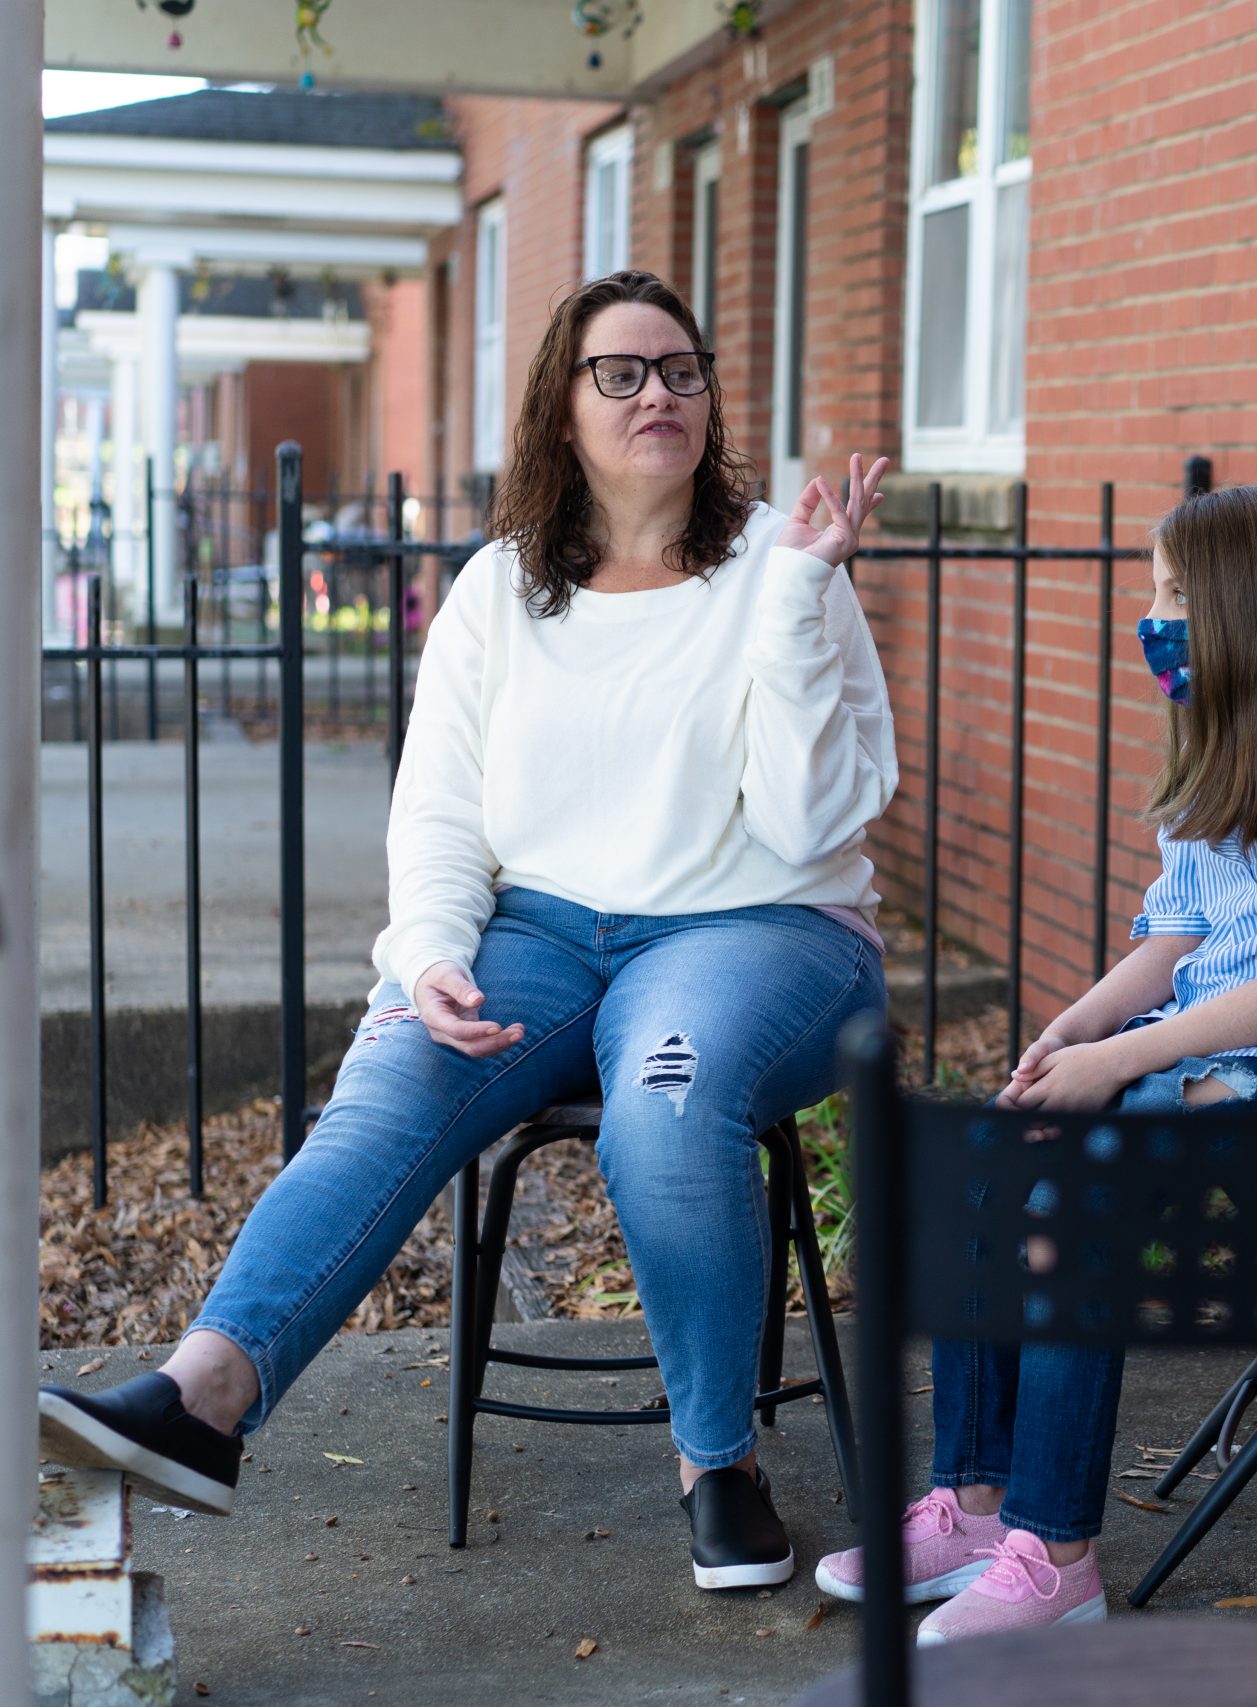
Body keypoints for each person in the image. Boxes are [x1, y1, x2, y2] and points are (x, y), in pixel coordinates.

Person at [39, 271, 899, 1595]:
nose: (659, 391)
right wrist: (430, 952)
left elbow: (807, 819)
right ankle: (202, 1396)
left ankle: (716, 1461)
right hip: (543, 930)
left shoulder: (785, 568)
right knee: (396, 1064)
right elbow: (439, 809)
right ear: (564, 405)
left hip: (757, 926)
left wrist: (792, 606)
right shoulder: (501, 591)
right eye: (621, 370)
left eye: (682, 367)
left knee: (666, 1101)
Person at [815, 484, 1257, 1642]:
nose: (1149, 615)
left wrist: (1124, 1068)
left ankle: (1058, 1554)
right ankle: (972, 1502)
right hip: (1212, 1053)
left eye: (1173, 595)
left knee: (1073, 1190)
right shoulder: (1218, 743)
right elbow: (1176, 939)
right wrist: (1075, 1032)